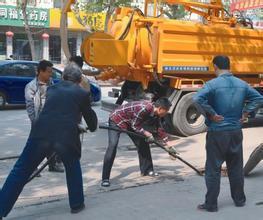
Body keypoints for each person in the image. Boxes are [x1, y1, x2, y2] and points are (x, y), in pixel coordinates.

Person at [0, 63, 98, 218]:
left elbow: (56, 112)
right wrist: (86, 90)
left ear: (64, 76)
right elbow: (92, 125)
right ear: (79, 79)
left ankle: (1, 208)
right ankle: (77, 204)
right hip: (65, 138)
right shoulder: (82, 93)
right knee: (72, 167)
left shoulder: (52, 89)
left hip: (40, 134)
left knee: (20, 170)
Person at [193, 55, 263, 212]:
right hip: (235, 131)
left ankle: (211, 204)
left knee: (213, 168)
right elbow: (259, 98)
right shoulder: (242, 84)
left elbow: (197, 99)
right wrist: (245, 113)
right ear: (229, 66)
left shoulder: (212, 84)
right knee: (236, 167)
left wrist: (211, 114)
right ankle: (239, 200)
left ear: (215, 67)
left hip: (217, 132)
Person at [101, 97, 173, 187]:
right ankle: (105, 178)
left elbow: (158, 128)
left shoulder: (155, 113)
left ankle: (147, 171)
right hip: (116, 120)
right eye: (167, 110)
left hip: (130, 122)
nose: (167, 113)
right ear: (160, 109)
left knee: (143, 143)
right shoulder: (144, 109)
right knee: (113, 145)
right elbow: (135, 126)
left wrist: (168, 143)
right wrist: (147, 133)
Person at [25, 60, 64, 173]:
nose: (50, 74)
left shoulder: (51, 84)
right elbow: (30, 107)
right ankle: (32, 169)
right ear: (40, 72)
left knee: (51, 144)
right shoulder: (31, 86)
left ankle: (52, 165)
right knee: (34, 146)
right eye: (48, 72)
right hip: (38, 121)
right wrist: (35, 122)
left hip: (51, 120)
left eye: (51, 72)